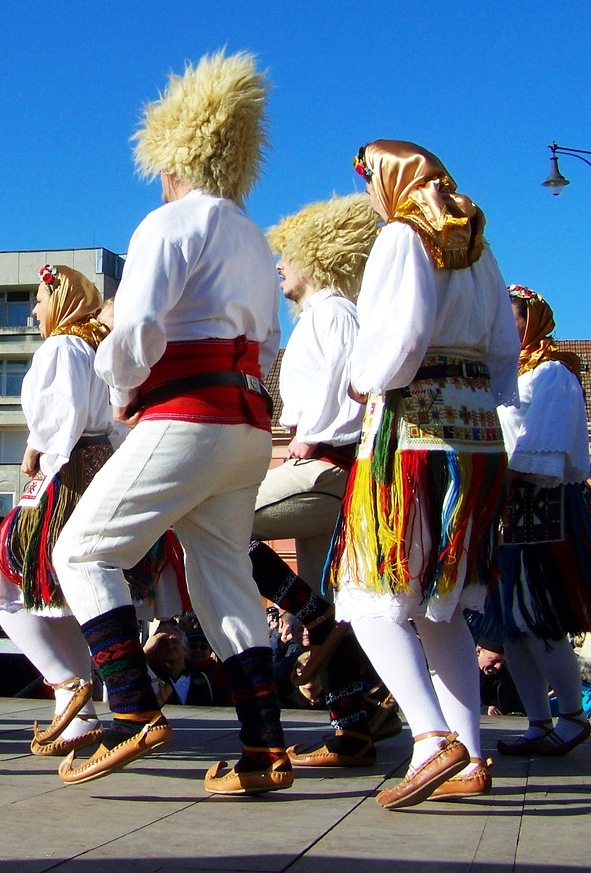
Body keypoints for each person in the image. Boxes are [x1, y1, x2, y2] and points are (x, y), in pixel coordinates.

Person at [52, 50, 291, 794]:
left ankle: (132, 711)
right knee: (224, 579)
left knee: (84, 553)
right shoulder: (254, 235)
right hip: (248, 424)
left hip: (188, 415)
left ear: (173, 152)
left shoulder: (169, 220)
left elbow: (138, 330)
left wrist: (118, 382)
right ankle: (263, 747)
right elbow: (272, 345)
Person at [327, 140, 519, 809]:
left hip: (409, 434)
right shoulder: (478, 244)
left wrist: (362, 381)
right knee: (443, 599)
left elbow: (400, 337)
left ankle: (430, 737)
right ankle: (470, 754)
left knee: (369, 589)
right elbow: (504, 347)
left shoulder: (402, 238)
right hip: (476, 435)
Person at [245, 194, 395, 769]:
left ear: (317, 256)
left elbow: (347, 391)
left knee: (211, 519)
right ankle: (350, 729)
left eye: (287, 255)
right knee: (324, 595)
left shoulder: (332, 314)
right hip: (329, 469)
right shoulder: (325, 315)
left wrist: (307, 442)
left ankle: (310, 612)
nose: (279, 264)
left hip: (325, 466)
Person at [0, 263, 116, 757]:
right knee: (58, 597)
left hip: (63, 475)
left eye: (38, 299)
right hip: (97, 468)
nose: (35, 309)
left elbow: (62, 418)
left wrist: (37, 450)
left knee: (3, 582)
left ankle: (65, 685)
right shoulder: (98, 346)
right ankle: (81, 715)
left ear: (59, 301)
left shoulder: (62, 345)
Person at [487, 285, 591, 759]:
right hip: (505, 507)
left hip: (542, 504)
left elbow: (543, 453)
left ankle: (571, 716)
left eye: (510, 317)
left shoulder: (552, 372)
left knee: (539, 617)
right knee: (511, 625)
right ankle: (538, 721)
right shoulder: (495, 376)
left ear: (533, 322)